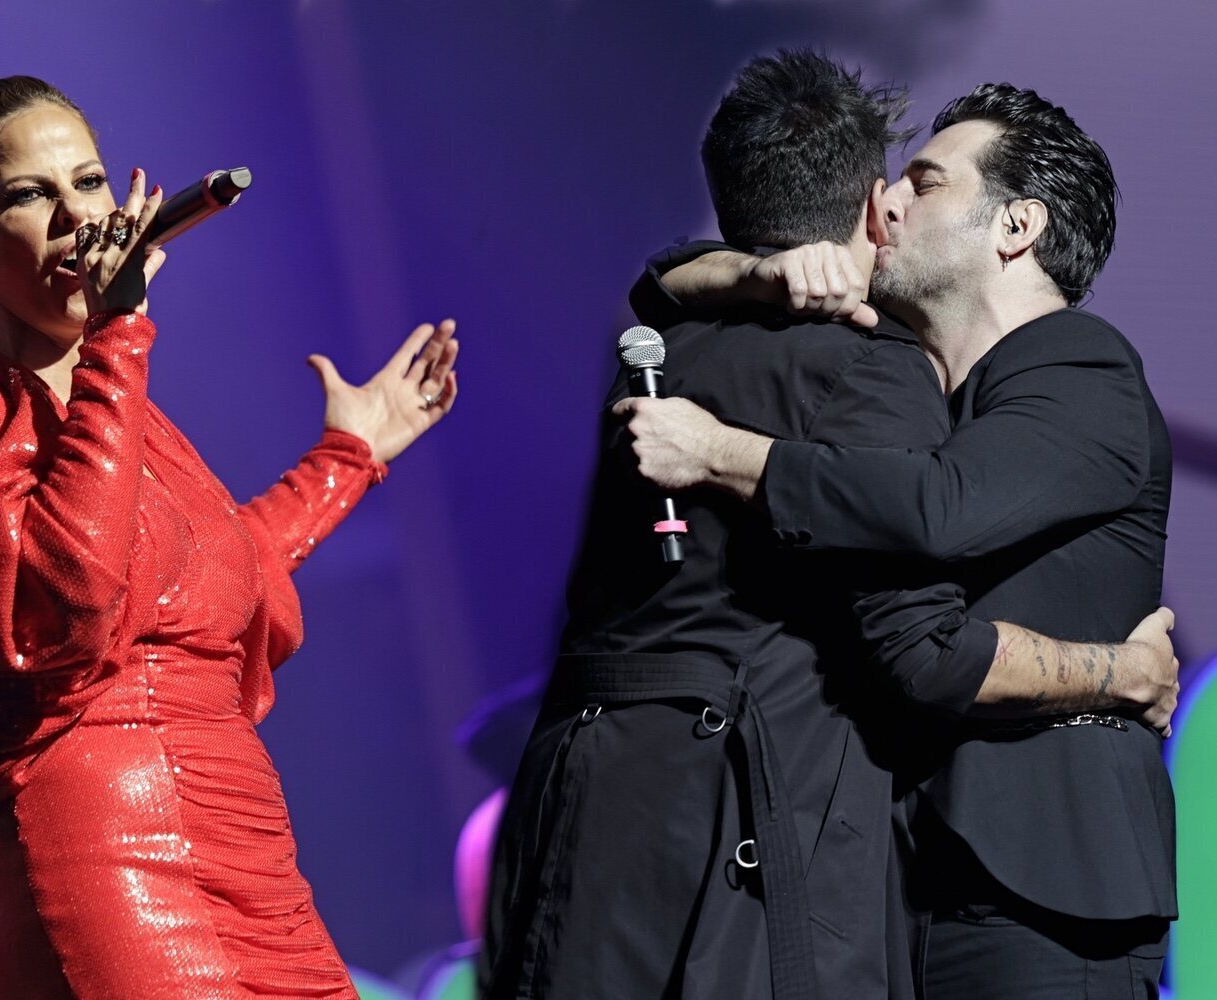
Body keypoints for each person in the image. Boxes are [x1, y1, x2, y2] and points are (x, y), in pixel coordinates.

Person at [0, 45, 459, 999]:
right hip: (103, 838)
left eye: (87, 180)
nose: (79, 214)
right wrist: (118, 335)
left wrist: (347, 457)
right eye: (29, 195)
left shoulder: (123, 412)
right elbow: (68, 608)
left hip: (247, 831)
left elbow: (212, 578)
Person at [483, 55, 1176, 1000]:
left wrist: (726, 451)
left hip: (1041, 888)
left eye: (925, 183)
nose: (890, 204)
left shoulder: (1078, 367)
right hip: (912, 876)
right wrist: (751, 270)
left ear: (1017, 225)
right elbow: (663, 288)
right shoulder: (889, 367)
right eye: (886, 185)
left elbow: (936, 511)